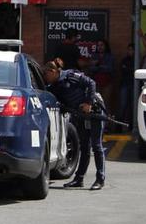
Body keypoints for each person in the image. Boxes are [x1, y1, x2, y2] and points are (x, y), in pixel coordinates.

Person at [43, 59, 105, 191]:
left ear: (53, 71)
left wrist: (88, 103)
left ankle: (100, 179)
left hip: (94, 110)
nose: (45, 77)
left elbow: (91, 83)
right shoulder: (53, 87)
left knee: (96, 145)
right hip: (80, 115)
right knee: (84, 147)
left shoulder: (70, 76)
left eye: (46, 74)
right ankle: (79, 179)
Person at [88, 39, 115, 115]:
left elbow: (110, 69)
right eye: (98, 45)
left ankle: (107, 124)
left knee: (106, 103)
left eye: (102, 45)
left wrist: (98, 66)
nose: (100, 47)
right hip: (96, 83)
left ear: (106, 46)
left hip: (107, 84)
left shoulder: (110, 56)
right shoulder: (94, 56)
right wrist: (101, 67)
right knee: (96, 103)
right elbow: (91, 68)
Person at [117, 42, 135, 130]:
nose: (129, 52)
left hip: (133, 85)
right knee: (122, 105)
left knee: (132, 106)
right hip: (124, 84)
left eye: (131, 50)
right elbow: (122, 70)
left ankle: (132, 125)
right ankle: (119, 126)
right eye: (128, 50)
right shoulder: (124, 60)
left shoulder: (137, 60)